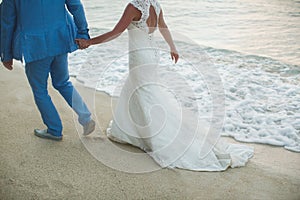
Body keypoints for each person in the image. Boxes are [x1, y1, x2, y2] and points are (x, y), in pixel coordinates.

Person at [76, 0, 253, 171]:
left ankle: (160, 136)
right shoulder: (156, 5)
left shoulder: (133, 7)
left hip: (140, 58)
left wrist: (90, 42)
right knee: (141, 92)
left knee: (146, 96)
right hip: (152, 56)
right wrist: (173, 47)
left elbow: (115, 33)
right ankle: (131, 131)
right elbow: (164, 27)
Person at [1, 0, 95, 141]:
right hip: (60, 38)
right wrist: (83, 32)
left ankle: (54, 130)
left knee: (40, 90)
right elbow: (76, 6)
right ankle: (86, 118)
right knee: (63, 82)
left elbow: (6, 23)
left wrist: (6, 54)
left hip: (34, 44)